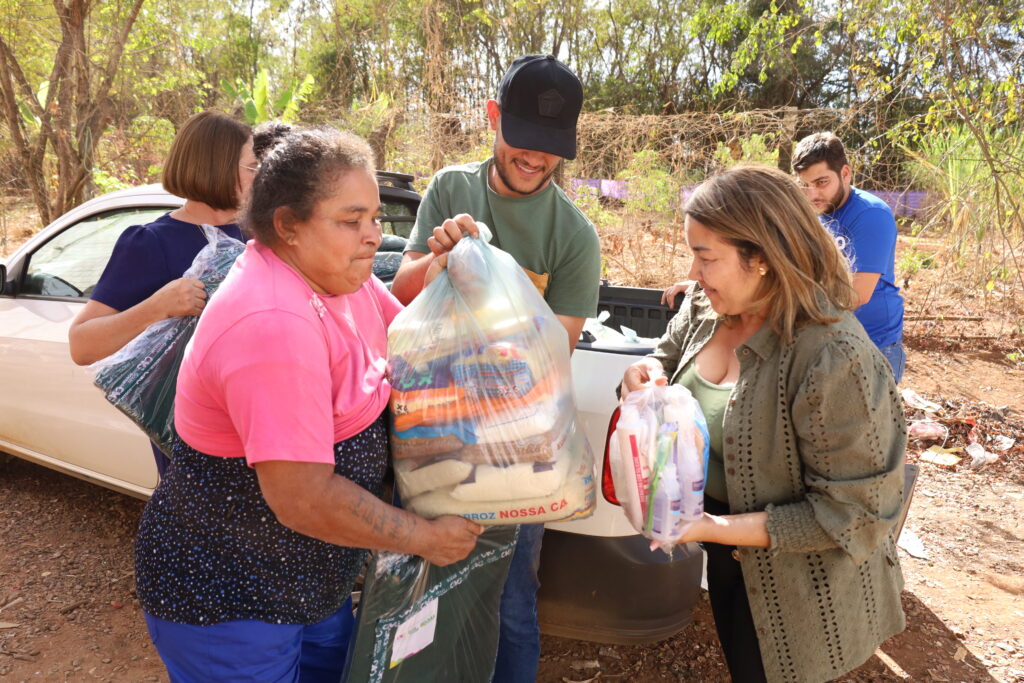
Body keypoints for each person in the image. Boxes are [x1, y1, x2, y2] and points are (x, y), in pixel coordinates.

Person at [133, 127, 483, 681]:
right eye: (351, 220)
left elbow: (412, 347)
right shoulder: (273, 323)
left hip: (311, 577)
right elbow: (304, 498)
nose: (372, 236)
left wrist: (452, 280)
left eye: (374, 218)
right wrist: (424, 538)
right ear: (288, 226)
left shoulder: (344, 281)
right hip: (230, 596)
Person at [620, 164, 906, 682]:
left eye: (706, 257)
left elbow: (853, 513)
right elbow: (665, 353)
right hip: (728, 554)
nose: (693, 272)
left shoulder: (832, 357)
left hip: (804, 586)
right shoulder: (707, 309)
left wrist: (710, 527)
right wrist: (646, 373)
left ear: (764, 260)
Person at [391, 54, 601, 683]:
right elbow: (400, 296)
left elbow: (551, 359)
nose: (535, 158)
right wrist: (439, 262)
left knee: (512, 604)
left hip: (520, 457)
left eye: (551, 148)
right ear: (492, 118)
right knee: (423, 589)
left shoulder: (575, 236)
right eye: (523, 142)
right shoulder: (450, 190)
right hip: (429, 438)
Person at [68, 110, 257, 476]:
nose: (259, 175)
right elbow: (81, 345)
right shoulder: (151, 243)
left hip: (263, 433)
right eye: (251, 166)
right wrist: (158, 307)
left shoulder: (257, 234)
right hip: (197, 456)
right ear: (217, 168)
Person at [793, 131, 906, 382]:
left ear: (845, 173)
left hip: (873, 346)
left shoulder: (871, 214)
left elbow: (854, 295)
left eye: (821, 182)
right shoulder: (815, 211)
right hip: (830, 339)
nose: (812, 194)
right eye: (804, 185)